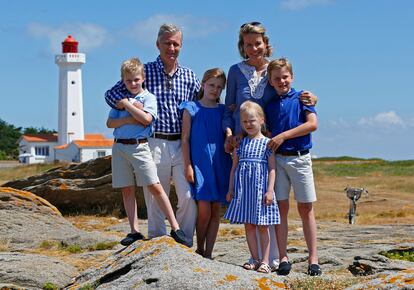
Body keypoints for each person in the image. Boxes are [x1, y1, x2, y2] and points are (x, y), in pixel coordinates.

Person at [105, 24, 200, 247]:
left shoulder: (189, 75)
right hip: (153, 140)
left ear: (181, 46)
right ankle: (157, 243)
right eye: (167, 43)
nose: (172, 47)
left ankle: (184, 241)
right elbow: (111, 94)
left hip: (181, 143)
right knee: (155, 195)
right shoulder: (144, 72)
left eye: (176, 43)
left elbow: (202, 101)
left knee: (187, 196)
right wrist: (127, 104)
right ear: (158, 44)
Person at [266, 58, 321, 276]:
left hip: (300, 158)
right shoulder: (269, 106)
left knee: (306, 208)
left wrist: (284, 136)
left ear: (292, 77)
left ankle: (313, 258)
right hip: (278, 160)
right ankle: (283, 257)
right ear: (270, 81)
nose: (282, 81)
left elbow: (312, 124)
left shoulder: (303, 98)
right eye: (277, 78)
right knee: (280, 210)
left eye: (285, 77)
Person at [180, 68, 231, 259]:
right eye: (211, 85)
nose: (215, 90)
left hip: (220, 163)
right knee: (204, 211)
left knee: (216, 210)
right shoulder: (191, 108)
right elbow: (184, 139)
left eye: (219, 87)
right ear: (203, 84)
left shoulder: (223, 110)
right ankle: (199, 248)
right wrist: (187, 166)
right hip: (200, 165)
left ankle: (209, 252)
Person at [224, 101, 280, 274]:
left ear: (261, 120)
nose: (248, 124)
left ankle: (265, 260)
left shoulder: (268, 143)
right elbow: (234, 168)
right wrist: (230, 189)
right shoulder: (240, 144)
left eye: (252, 120)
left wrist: (270, 190)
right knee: (248, 226)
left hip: (261, 192)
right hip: (244, 192)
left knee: (263, 226)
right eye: (245, 121)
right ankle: (254, 258)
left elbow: (272, 169)